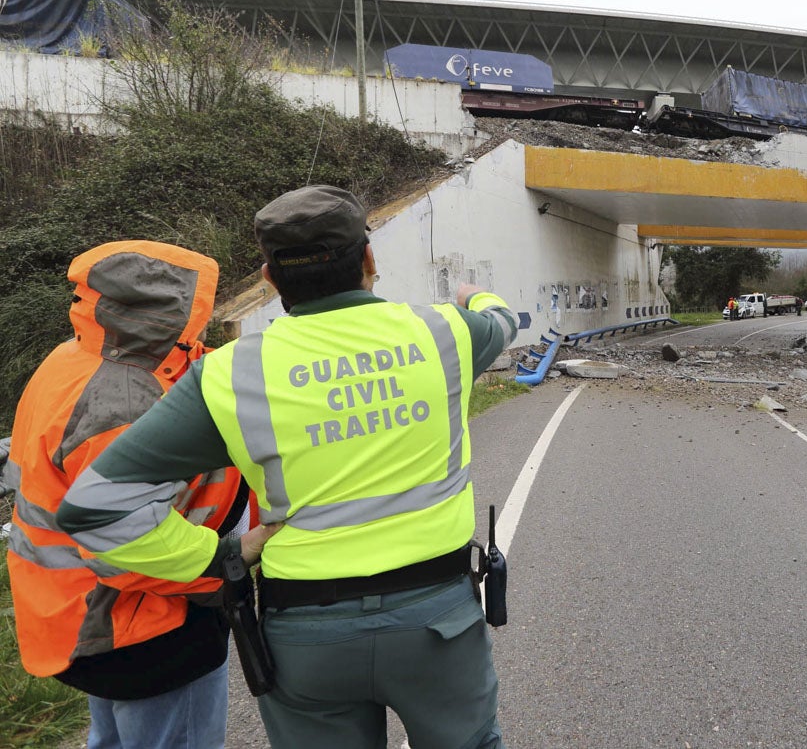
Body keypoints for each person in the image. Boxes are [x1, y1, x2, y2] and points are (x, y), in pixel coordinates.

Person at [58, 185, 519, 749]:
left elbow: (93, 507)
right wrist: (476, 296)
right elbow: (503, 321)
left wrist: (217, 556)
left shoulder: (229, 375)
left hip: (305, 640)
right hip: (438, 627)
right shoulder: (444, 333)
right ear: (369, 261)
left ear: (269, 279)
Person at [6, 240, 247, 749]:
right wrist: (225, 566)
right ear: (167, 317)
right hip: (144, 622)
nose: (204, 323)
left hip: (79, 610)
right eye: (196, 311)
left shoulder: (74, 358)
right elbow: (128, 544)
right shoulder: (124, 405)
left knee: (115, 739)